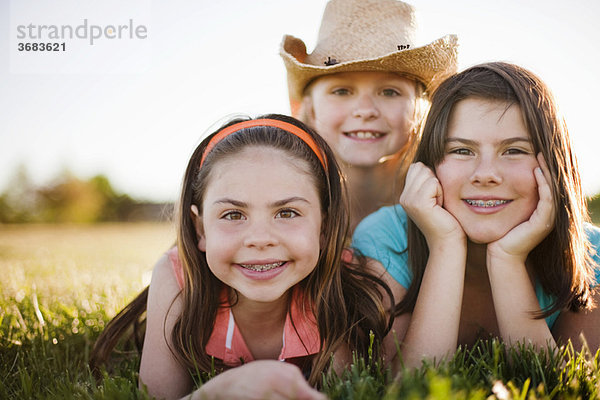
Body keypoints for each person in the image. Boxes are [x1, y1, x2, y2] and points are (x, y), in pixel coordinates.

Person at [91, 115, 398, 399]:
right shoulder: (176, 278)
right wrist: (217, 392)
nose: (260, 239)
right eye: (233, 214)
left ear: (324, 227)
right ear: (201, 229)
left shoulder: (339, 285)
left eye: (287, 212)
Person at [351, 62, 600, 369]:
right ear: (428, 167)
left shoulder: (593, 254)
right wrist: (445, 245)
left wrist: (507, 259)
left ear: (554, 165)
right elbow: (412, 385)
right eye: (461, 150)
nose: (486, 175)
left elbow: (565, 387)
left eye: (514, 151)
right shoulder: (385, 237)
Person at [280, 0, 458, 229]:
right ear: (310, 108)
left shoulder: (452, 208)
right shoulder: (281, 210)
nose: (365, 111)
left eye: (389, 92)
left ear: (420, 108)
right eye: (341, 91)